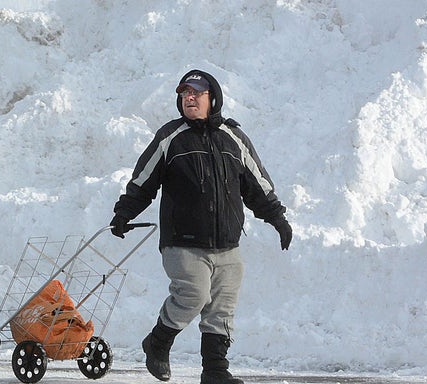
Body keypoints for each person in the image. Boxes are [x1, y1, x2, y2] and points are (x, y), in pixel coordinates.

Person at [110, 69, 292, 384]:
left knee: (222, 307)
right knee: (193, 295)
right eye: (184, 94)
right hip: (183, 242)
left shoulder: (233, 137)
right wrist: (124, 212)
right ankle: (159, 341)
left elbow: (257, 184)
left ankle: (215, 372)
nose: (189, 98)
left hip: (227, 243)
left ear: (213, 98)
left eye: (196, 93)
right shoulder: (170, 137)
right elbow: (143, 180)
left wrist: (277, 217)